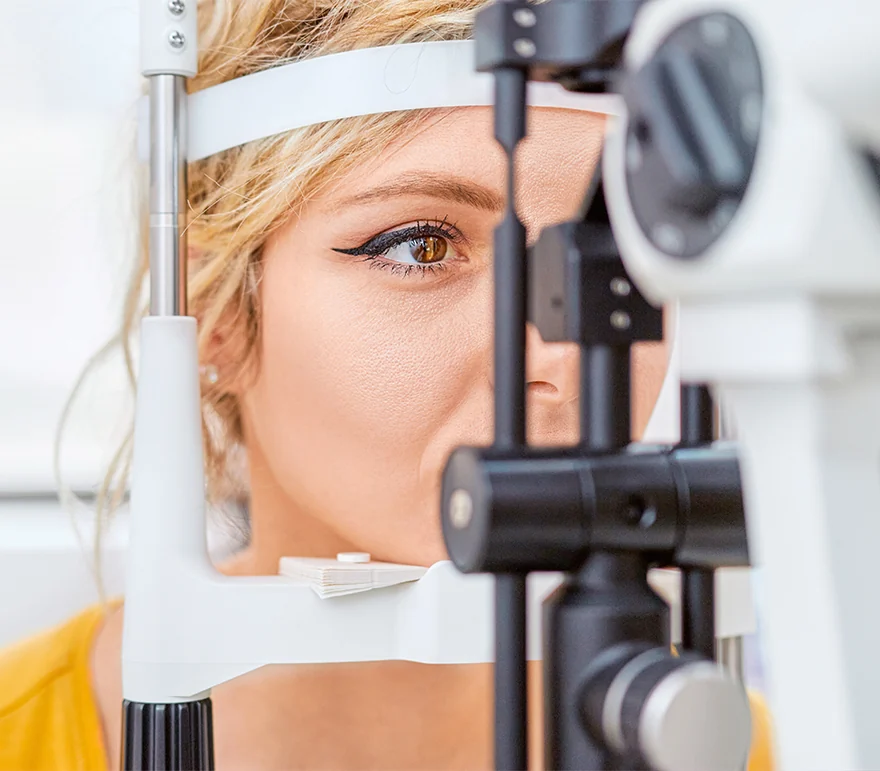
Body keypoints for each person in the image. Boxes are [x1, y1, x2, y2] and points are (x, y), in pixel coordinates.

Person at [0, 1, 775, 769]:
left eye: (611, 254)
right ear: (214, 312)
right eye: (423, 247)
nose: (555, 354)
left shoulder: (731, 740)